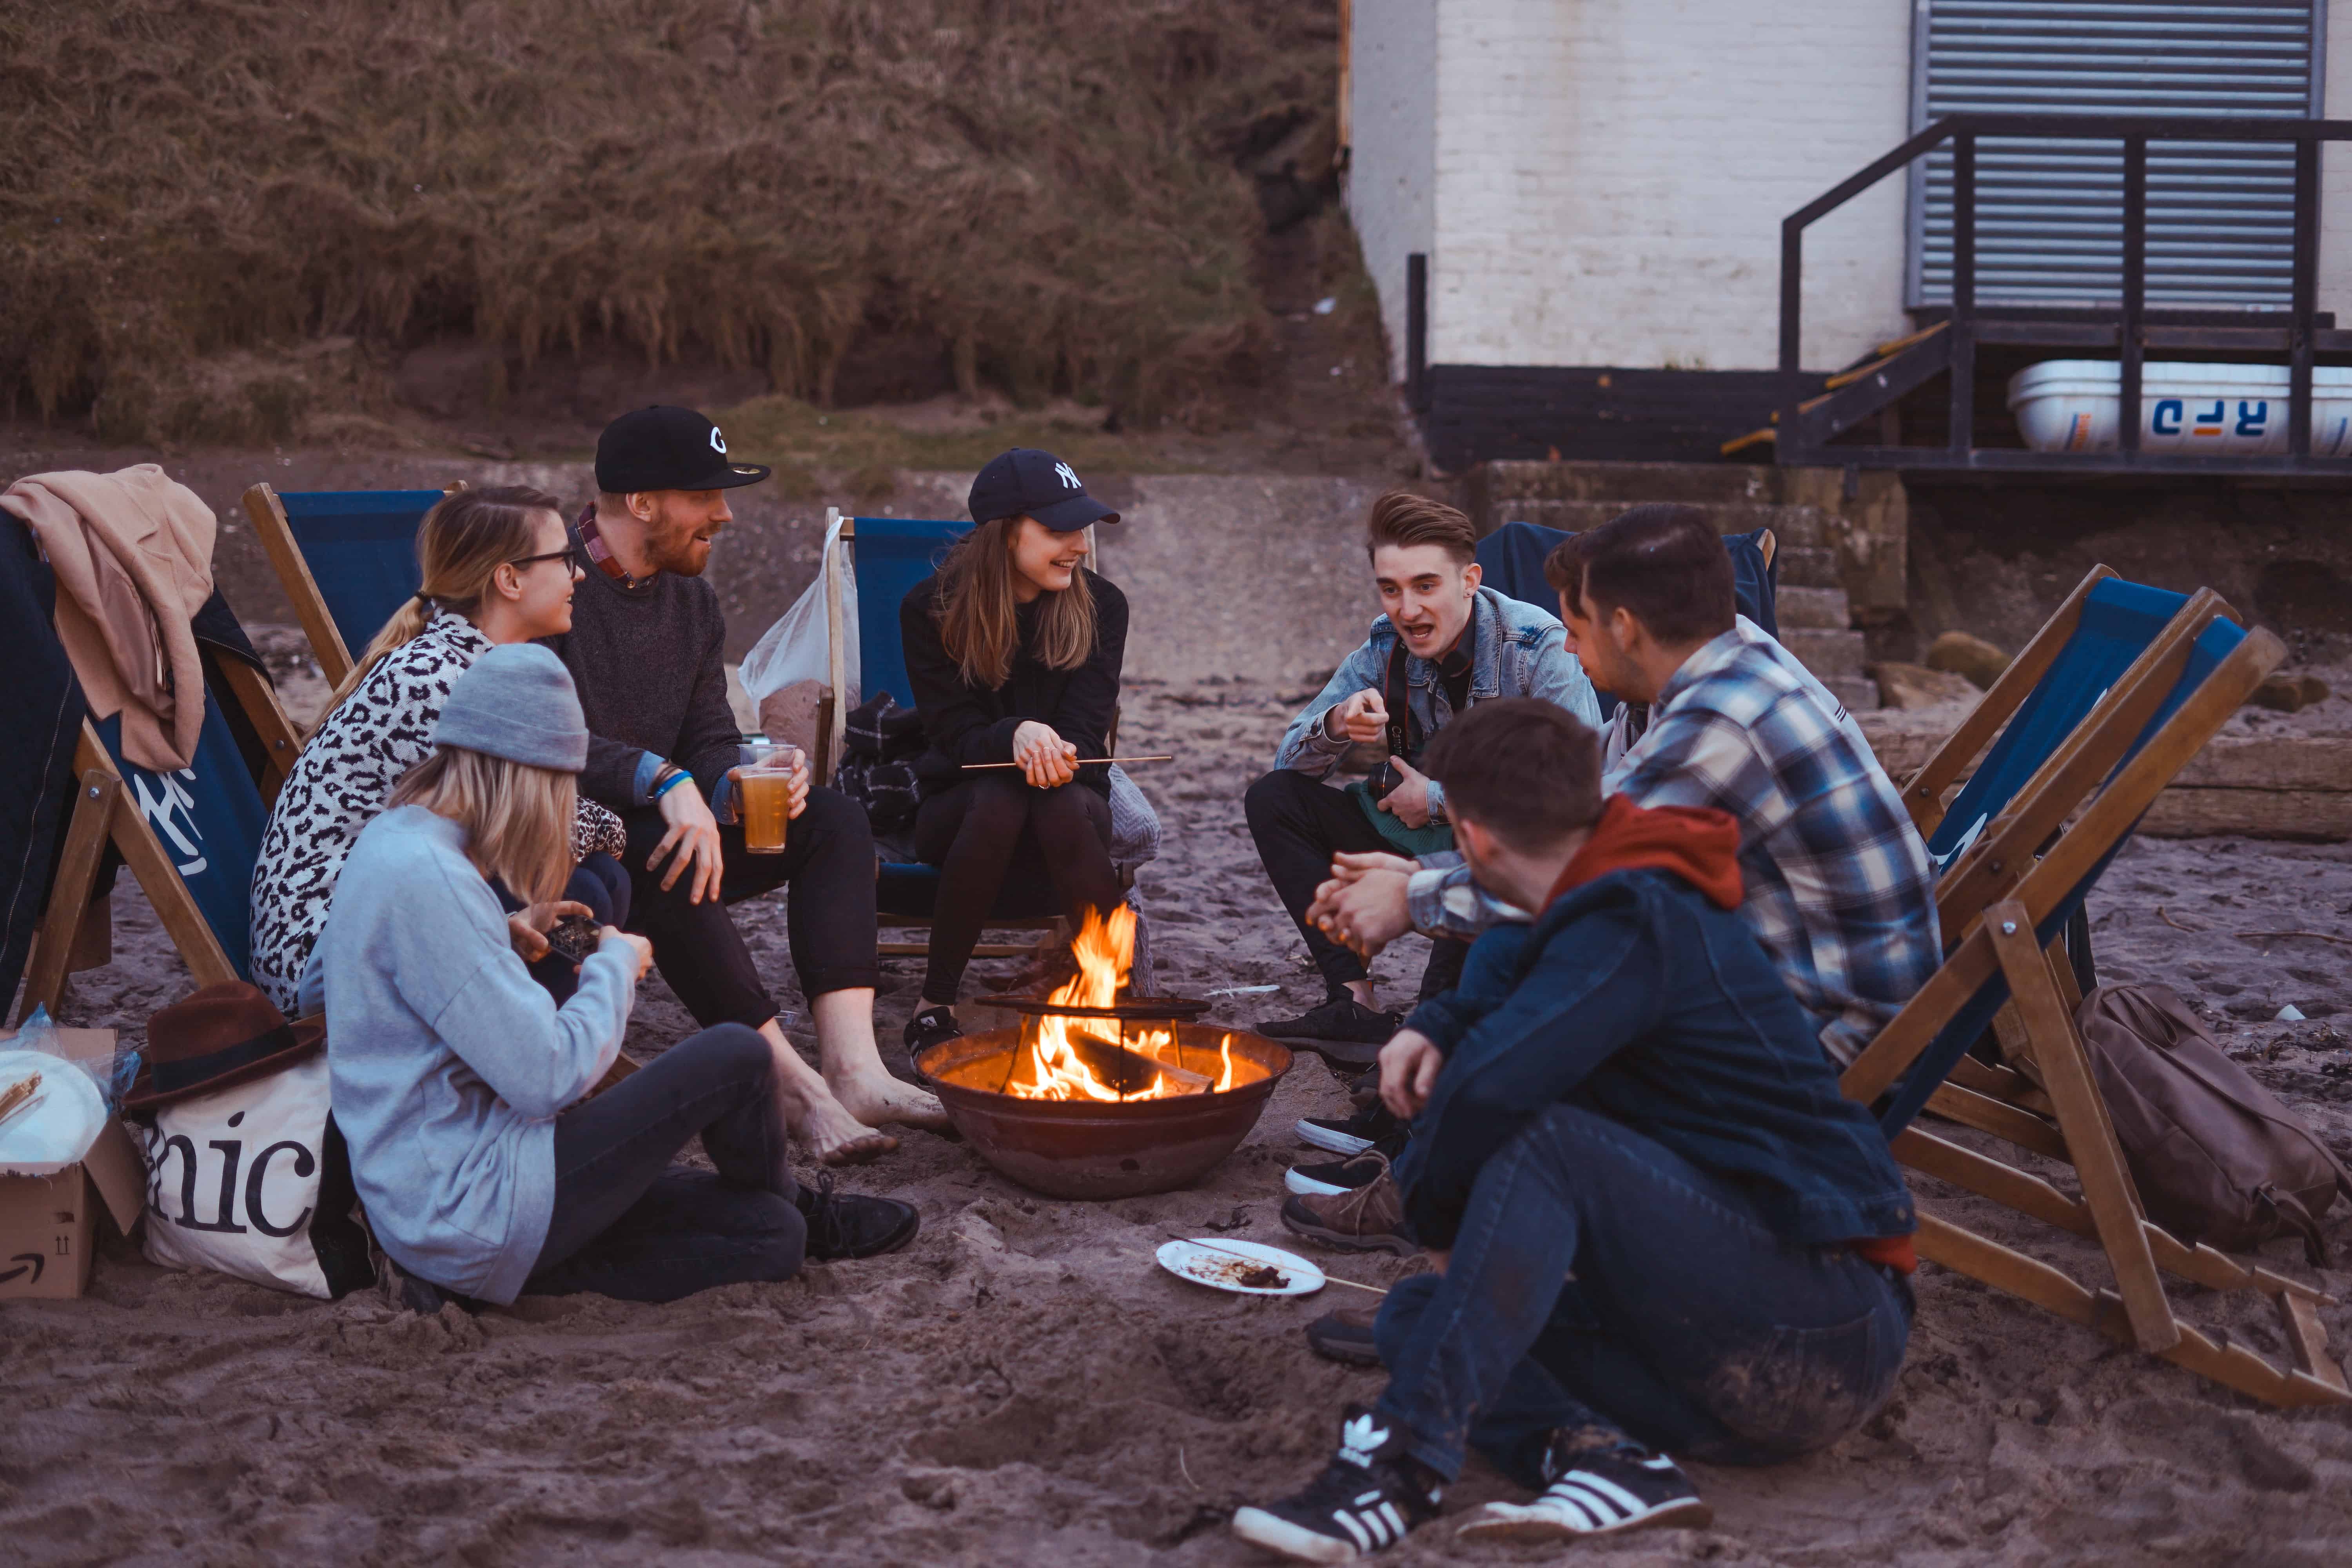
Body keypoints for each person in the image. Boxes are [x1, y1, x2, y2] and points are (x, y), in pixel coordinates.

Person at [1231, 700, 1916, 1561]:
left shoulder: (1639, 910)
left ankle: (1401, 1465)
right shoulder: (1582, 889)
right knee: (1419, 1312)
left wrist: (1433, 1221)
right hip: (1713, 1368)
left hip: (1826, 1324)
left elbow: (1492, 1092)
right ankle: (1604, 1457)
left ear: (1471, 841)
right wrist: (1434, 1024)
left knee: (1543, 1144)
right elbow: (1498, 984)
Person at [321, 645, 919, 1310]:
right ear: (524, 773)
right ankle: (800, 1201)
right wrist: (613, 966)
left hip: (454, 1203)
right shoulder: (429, 879)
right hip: (472, 1202)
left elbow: (377, 985)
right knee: (738, 1055)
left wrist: (500, 935)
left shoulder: (398, 841)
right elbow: (546, 1078)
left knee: (768, 1238)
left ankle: (788, 1214)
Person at [1308, 503, 1938, 1071]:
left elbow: (1584, 869)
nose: (1572, 653)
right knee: (1511, 952)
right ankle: (1416, 1141)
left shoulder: (1725, 720)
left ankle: (1426, 1157)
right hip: (1768, 965)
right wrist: (1443, 857)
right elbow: (1585, 809)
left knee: (1545, 975)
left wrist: (1411, 897)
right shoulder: (1702, 665)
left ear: (1625, 628)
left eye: (1576, 634)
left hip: (1833, 1032)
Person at [548, 405, 948, 1164]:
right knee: (669, 848)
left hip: (679, 819)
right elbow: (544, 736)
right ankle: (792, 1088)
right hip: (577, 845)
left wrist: (736, 777)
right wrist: (665, 781)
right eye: (707, 496)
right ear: (642, 503)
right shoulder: (551, 582)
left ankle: (854, 1068)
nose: (725, 515)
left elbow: (705, 731)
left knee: (834, 820)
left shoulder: (692, 602)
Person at [1243, 491, 1599, 1062]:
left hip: (1501, 854)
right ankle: (1352, 1001)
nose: (1406, 610)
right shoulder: (1385, 646)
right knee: (1275, 799)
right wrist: (1338, 723)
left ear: (1470, 580)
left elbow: (1580, 791)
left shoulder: (1538, 647)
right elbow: (1290, 760)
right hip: (1409, 837)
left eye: (1425, 586)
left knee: (1438, 1018)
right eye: (1391, 589)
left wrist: (1436, 798)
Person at [250, 486, 631, 1017]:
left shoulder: (459, 662)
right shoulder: (436, 681)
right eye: (565, 559)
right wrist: (621, 820)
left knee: (597, 884)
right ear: (510, 578)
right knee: (582, 882)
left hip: (385, 919)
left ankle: (539, 1032)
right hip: (326, 964)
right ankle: (530, 1046)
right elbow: (534, 832)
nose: (580, 574)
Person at [897, 449, 1128, 1055]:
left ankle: (1111, 998)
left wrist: (1053, 749)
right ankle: (936, 1001)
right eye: (1058, 531)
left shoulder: (1103, 607)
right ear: (1004, 535)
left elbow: (1086, 726)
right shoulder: (931, 610)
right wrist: (1015, 734)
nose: (1078, 545)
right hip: (962, 813)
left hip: (1071, 812)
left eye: (1081, 528)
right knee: (1001, 794)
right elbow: (956, 737)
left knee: (1056, 800)